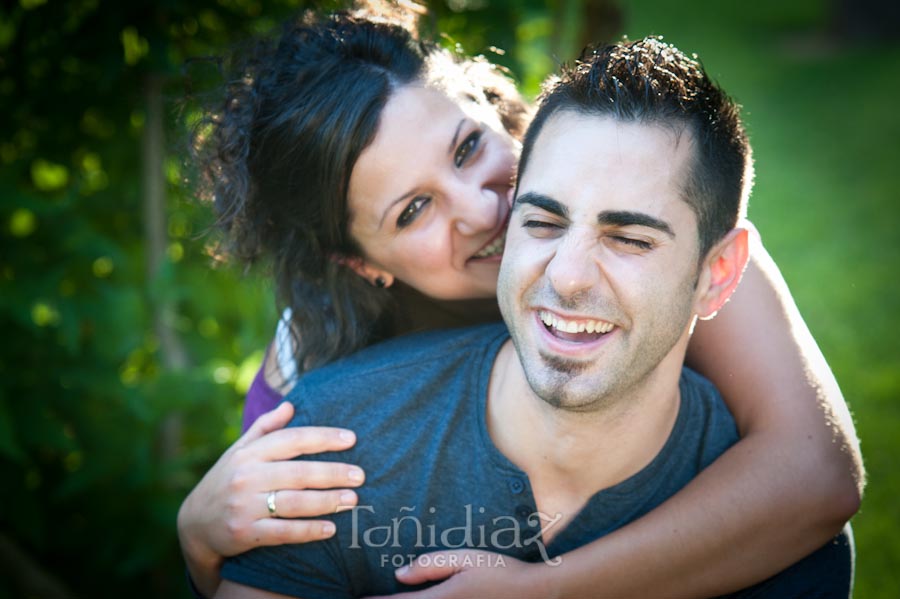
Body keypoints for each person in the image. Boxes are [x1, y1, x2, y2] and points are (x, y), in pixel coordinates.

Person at [178, 5, 862, 598]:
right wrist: (198, 542)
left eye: (468, 146)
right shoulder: (318, 378)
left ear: (492, 105)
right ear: (360, 262)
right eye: (415, 209)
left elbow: (815, 473)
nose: (485, 208)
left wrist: (548, 587)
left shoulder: (666, 231)